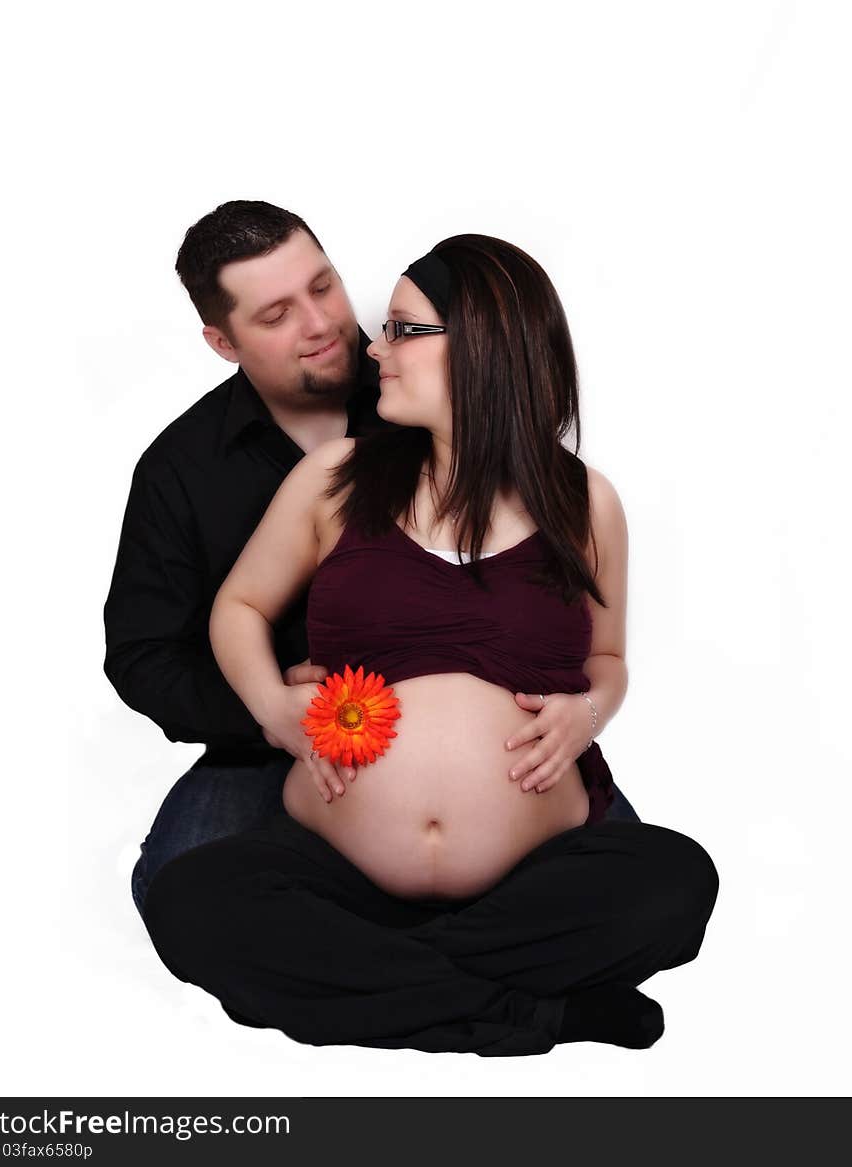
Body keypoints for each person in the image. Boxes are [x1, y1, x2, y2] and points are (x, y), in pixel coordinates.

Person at [142, 235, 718, 1055]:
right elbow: (237, 606)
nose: (373, 349)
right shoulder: (338, 476)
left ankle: (373, 985)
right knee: (188, 901)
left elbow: (608, 661)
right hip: (335, 864)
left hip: (531, 873)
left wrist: (589, 713)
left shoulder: (586, 502)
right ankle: (526, 1012)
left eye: (403, 330)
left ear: (484, 343)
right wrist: (274, 706)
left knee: (676, 883)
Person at [105, 201, 641, 916]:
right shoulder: (182, 469)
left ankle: (399, 962)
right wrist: (273, 711)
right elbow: (145, 655)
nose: (324, 324)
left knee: (649, 885)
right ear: (222, 340)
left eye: (323, 287)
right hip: (286, 747)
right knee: (177, 885)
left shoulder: (421, 398)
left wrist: (586, 710)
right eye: (275, 316)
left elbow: (570, 626)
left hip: (494, 757)